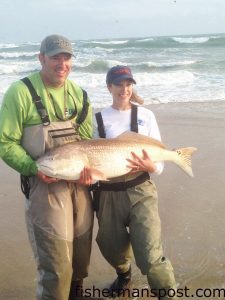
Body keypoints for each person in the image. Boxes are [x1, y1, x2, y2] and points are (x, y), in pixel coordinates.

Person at [0, 34, 94, 300]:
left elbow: (87, 142)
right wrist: (32, 168)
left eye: (66, 58)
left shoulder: (79, 94)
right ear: (41, 58)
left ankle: (76, 294)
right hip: (44, 187)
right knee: (56, 263)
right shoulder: (20, 93)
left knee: (80, 256)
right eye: (55, 57)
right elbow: (4, 142)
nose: (62, 64)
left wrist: (91, 172)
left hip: (79, 186)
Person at [92, 65, 177, 299]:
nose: (124, 89)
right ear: (109, 87)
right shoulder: (97, 119)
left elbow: (158, 156)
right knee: (110, 246)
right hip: (107, 193)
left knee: (150, 255)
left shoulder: (146, 116)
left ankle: (167, 294)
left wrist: (152, 167)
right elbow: (91, 157)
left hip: (141, 189)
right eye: (119, 84)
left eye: (128, 84)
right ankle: (123, 274)